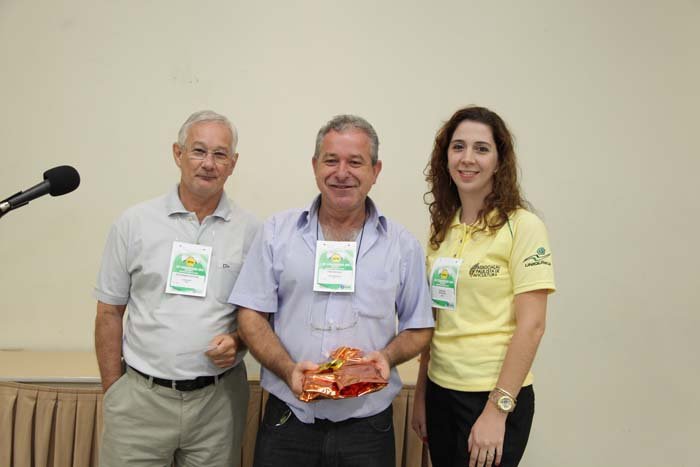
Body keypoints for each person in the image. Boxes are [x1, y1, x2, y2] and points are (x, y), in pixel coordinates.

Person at [229, 114, 434, 467]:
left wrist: (386, 358)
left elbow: (420, 326)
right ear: (314, 166)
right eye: (331, 160)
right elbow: (250, 315)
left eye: (355, 162)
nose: (342, 172)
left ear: (375, 170)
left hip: (368, 428)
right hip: (289, 420)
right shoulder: (277, 233)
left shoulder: (402, 246)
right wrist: (287, 369)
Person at [94, 110, 260, 467]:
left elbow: (259, 315)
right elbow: (109, 311)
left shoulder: (252, 232)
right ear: (177, 153)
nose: (208, 163)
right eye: (199, 151)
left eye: (220, 154)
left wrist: (238, 341)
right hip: (140, 400)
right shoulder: (134, 223)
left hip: (218, 405)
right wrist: (114, 391)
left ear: (233, 164)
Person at [411, 106, 556, 467]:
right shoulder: (442, 230)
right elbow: (436, 319)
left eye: (481, 148)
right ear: (445, 157)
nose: (467, 158)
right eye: (458, 147)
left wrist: (497, 410)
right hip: (441, 391)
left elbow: (533, 325)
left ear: (499, 161)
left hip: (492, 396)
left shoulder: (523, 226)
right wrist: (422, 395)